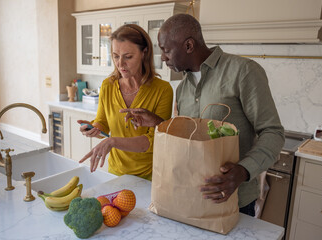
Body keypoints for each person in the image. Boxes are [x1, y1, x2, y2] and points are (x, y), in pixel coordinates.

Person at [120, 14, 284, 216]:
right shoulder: (182, 89)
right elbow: (189, 139)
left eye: (166, 50)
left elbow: (273, 132)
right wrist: (158, 123)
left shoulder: (244, 72)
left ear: (189, 46)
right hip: (191, 198)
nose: (162, 57)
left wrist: (243, 171)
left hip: (236, 202)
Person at [78, 24, 173, 181]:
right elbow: (102, 122)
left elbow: (153, 141)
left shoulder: (163, 90)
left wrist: (112, 141)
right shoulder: (108, 85)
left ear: (144, 53)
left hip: (150, 175)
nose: (120, 64)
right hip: (116, 172)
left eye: (128, 57)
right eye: (115, 56)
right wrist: (94, 129)